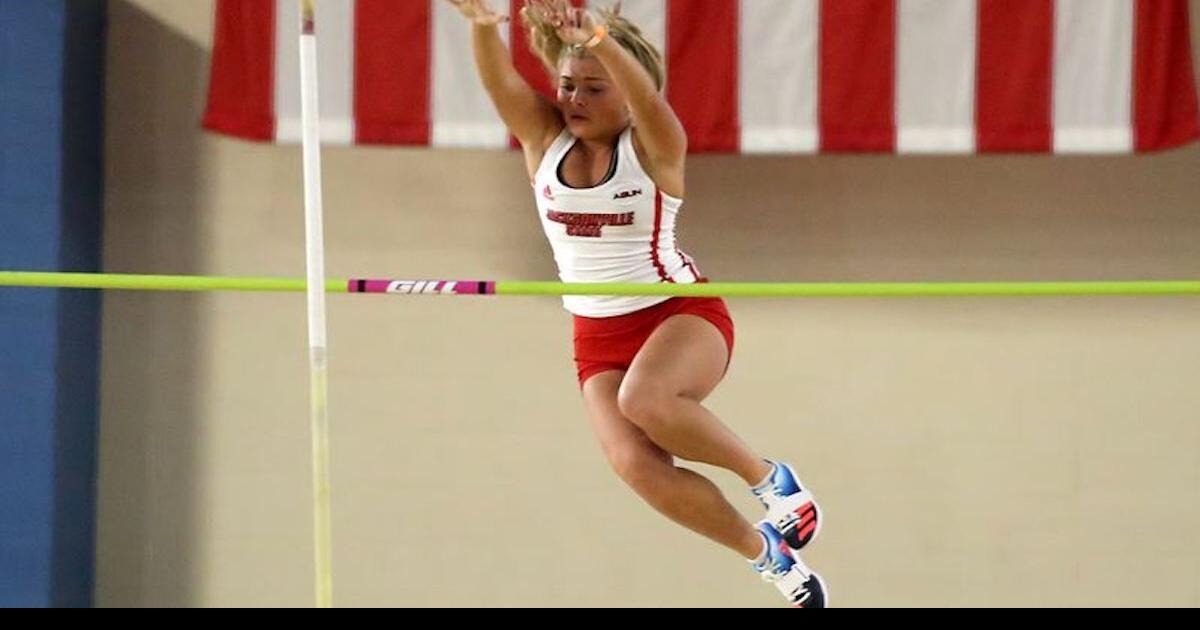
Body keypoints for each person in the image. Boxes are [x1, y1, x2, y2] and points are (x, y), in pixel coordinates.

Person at [447, 0, 826, 607]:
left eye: (594, 88)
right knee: (636, 466)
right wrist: (485, 25)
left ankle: (771, 480)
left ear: (623, 92)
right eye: (568, 86)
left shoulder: (653, 149)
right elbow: (500, 83)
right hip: (595, 336)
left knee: (645, 400)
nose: (575, 99)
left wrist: (598, 37)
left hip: (676, 313)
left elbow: (651, 105)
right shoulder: (544, 141)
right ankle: (766, 556)